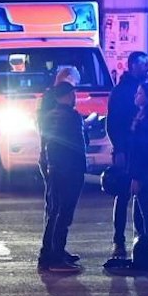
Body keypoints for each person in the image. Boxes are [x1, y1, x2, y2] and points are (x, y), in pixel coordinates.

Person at [109, 80, 148, 270]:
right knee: (143, 210)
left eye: (140, 94)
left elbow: (146, 152)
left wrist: (136, 177)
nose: (136, 96)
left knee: (147, 211)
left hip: (146, 171)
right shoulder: (142, 116)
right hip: (142, 169)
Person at [35, 81, 86, 273]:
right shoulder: (69, 117)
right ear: (65, 96)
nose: (75, 98)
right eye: (73, 94)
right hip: (67, 170)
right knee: (62, 213)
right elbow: (69, 145)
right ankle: (55, 258)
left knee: (54, 211)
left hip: (57, 169)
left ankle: (51, 252)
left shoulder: (48, 116)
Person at [106, 50, 148, 260]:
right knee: (123, 196)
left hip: (142, 153)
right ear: (133, 65)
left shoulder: (147, 90)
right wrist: (120, 150)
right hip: (127, 150)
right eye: (144, 64)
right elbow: (113, 123)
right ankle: (118, 242)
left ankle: (143, 241)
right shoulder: (120, 91)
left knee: (143, 196)